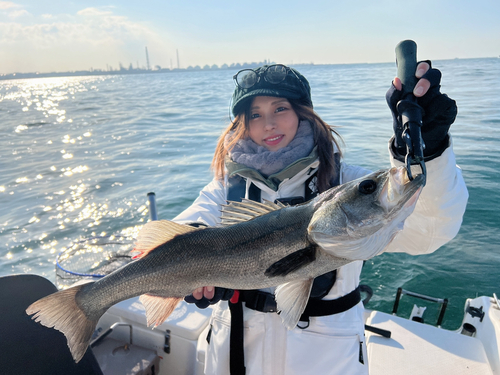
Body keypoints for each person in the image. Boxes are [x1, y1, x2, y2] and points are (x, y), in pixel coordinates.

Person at [173, 62, 468, 375]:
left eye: (280, 108)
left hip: (327, 361)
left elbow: (431, 230)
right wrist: (188, 261)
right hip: (231, 357)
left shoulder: (349, 185)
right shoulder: (223, 189)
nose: (268, 123)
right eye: (255, 114)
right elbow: (184, 230)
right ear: (242, 124)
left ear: (303, 112)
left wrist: (429, 153)